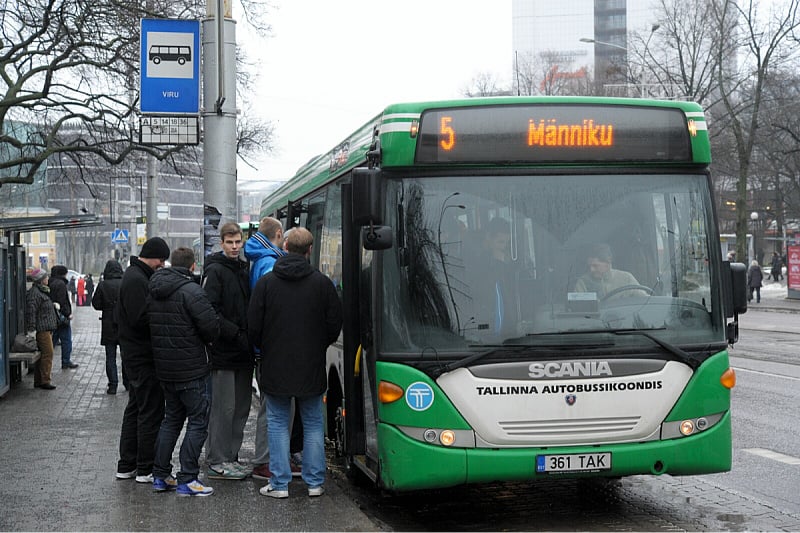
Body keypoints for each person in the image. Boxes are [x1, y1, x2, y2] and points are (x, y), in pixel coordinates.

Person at [248, 227, 343, 498]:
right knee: (313, 421)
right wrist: (317, 345)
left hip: (276, 363)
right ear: (310, 250)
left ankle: (279, 484)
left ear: (285, 246)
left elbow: (253, 325)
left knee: (278, 422)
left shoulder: (267, 283)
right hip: (311, 363)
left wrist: (266, 348)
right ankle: (314, 483)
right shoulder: (322, 284)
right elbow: (334, 323)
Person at [149, 247, 220, 496]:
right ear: (192, 266)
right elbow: (211, 328)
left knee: (171, 420)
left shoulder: (154, 289)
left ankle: (160, 476)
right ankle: (187, 478)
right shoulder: (192, 291)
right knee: (198, 421)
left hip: (165, 369)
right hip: (191, 370)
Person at [114, 236, 170, 484]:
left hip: (133, 356)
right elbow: (141, 318)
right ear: (154, 256)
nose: (163, 264)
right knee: (150, 410)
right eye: (162, 260)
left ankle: (127, 465)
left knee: (136, 408)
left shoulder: (134, 275)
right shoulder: (138, 279)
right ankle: (145, 468)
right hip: (143, 357)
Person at [201, 222, 253, 480]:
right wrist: (235, 332)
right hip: (223, 350)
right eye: (230, 242)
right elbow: (210, 311)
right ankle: (217, 460)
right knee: (224, 409)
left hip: (243, 351)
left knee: (241, 407)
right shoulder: (215, 270)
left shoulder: (243, 269)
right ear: (221, 243)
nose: (234, 247)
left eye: (237, 242)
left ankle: (230, 456)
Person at [243, 216, 286, 481]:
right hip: (270, 346)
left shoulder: (261, 258)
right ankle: (263, 462)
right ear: (279, 233)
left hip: (266, 345)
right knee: (270, 407)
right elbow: (271, 307)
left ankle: (269, 459)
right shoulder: (270, 262)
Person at [92, 259, 126, 394]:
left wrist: (107, 307)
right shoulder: (124, 283)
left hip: (108, 323)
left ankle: (113, 385)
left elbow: (96, 304)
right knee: (126, 355)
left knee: (110, 356)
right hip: (124, 323)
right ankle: (128, 383)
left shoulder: (102, 285)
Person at [25, 268, 58, 390]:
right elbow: (31, 312)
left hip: (46, 328)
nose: (47, 279)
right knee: (48, 353)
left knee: (43, 355)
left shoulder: (42, 291)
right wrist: (32, 330)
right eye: (45, 277)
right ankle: (45, 380)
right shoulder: (35, 293)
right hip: (41, 329)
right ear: (40, 280)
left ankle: (39, 380)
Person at [574, 243, 646, 300]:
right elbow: (579, 310)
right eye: (589, 266)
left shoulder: (627, 279)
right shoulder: (583, 282)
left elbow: (644, 301)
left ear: (608, 262)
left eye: (595, 266)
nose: (591, 269)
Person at [49, 265, 77, 369]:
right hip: (61, 317)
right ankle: (66, 361)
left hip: (52, 316)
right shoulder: (61, 284)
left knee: (53, 339)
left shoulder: (50, 282)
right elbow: (62, 301)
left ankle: (46, 362)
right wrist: (68, 314)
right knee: (66, 340)